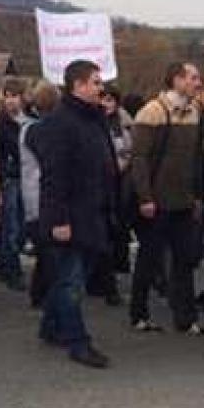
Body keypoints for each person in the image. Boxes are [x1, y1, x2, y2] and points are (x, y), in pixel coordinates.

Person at [35, 60, 116, 368]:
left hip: (94, 210)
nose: (101, 88)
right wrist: (58, 221)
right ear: (78, 85)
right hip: (70, 215)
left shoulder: (94, 119)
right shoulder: (61, 122)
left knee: (74, 276)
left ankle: (50, 325)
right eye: (95, 82)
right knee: (72, 281)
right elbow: (53, 176)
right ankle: (78, 342)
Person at [129, 61, 204, 334]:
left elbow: (196, 158)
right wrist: (145, 197)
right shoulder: (153, 111)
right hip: (157, 201)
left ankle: (185, 317)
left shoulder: (195, 111)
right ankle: (138, 313)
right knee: (149, 259)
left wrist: (197, 194)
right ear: (176, 80)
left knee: (185, 260)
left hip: (184, 200)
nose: (198, 83)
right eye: (193, 77)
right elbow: (138, 159)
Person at [86, 85, 132, 306]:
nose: (107, 104)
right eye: (103, 99)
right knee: (101, 236)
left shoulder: (123, 122)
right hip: (98, 185)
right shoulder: (92, 123)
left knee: (115, 231)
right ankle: (104, 283)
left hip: (118, 183)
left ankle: (110, 275)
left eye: (110, 100)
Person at [22, 81, 62, 308]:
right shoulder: (38, 130)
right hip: (41, 198)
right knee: (49, 253)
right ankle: (42, 296)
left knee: (46, 253)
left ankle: (39, 293)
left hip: (33, 198)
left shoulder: (28, 128)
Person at [0, 77, 29, 290]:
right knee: (12, 226)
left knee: (24, 225)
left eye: (14, 96)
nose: (10, 101)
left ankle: (2, 261)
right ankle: (11, 268)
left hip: (27, 176)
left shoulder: (29, 120)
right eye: (6, 97)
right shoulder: (0, 124)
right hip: (10, 177)